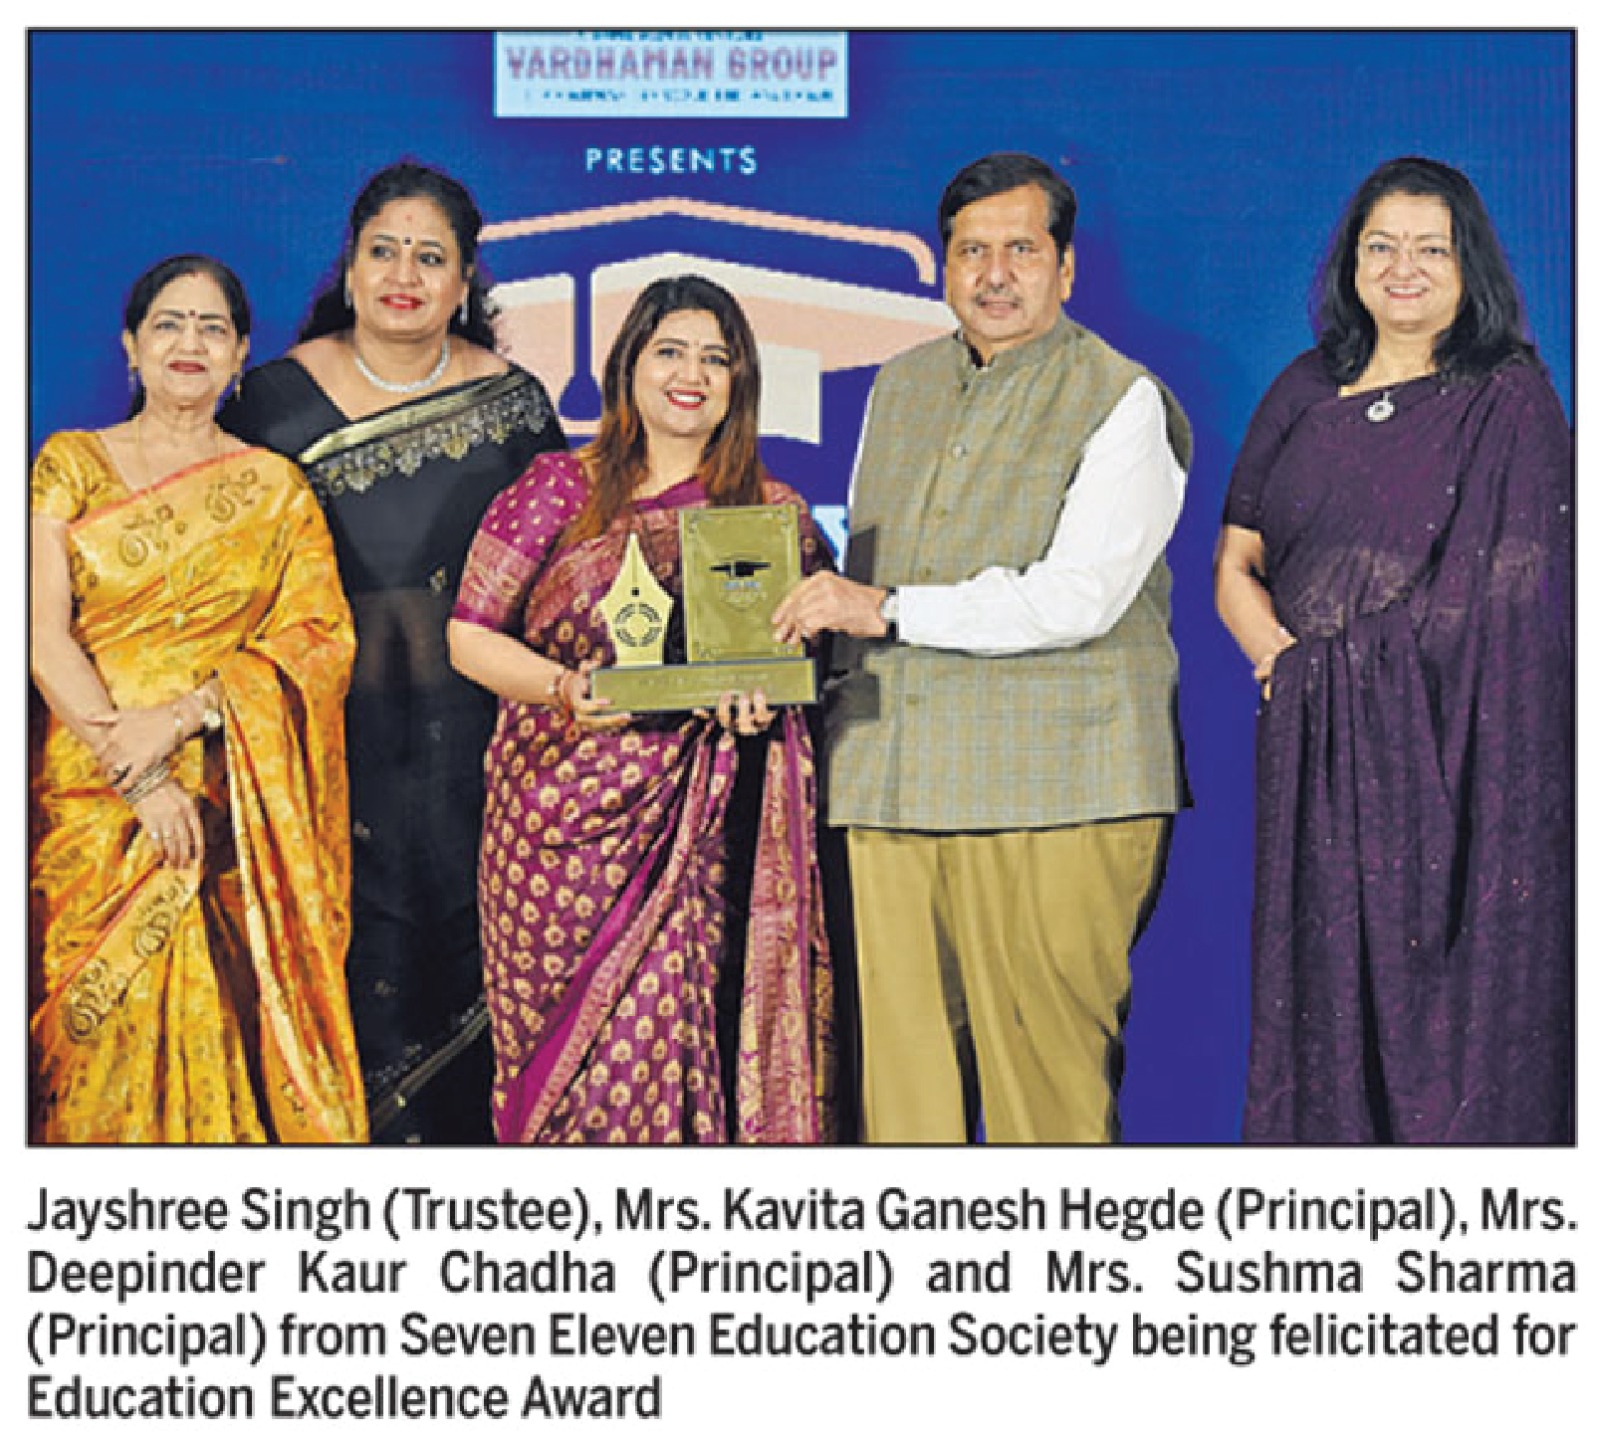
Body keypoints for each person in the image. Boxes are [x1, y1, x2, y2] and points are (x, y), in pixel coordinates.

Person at [772, 152, 1190, 1144]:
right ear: (943, 267)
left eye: (1021, 250)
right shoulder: (900, 384)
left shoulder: (1121, 397)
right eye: (971, 252)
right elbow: (865, 562)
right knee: (901, 1102)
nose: (994, 274)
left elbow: (1078, 597)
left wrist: (885, 609)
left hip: (1058, 785)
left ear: (1066, 268)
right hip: (890, 781)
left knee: (1045, 1097)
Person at [1215, 156, 1573, 1144]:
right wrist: (1291, 670)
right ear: (1351, 262)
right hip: (1311, 750)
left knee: (1454, 1031)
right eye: (1381, 246)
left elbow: (1515, 596)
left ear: (1469, 268)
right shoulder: (1304, 385)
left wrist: (1356, 677)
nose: (1402, 268)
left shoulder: (1508, 400)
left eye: (1430, 249)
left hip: (1458, 763)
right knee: (1320, 1000)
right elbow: (1235, 560)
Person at [446, 274, 835, 1144]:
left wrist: (758, 713)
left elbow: (799, 671)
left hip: (699, 841)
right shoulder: (558, 489)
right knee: (563, 1086)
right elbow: (468, 637)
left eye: (716, 359)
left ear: (740, 382)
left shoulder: (771, 515)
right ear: (628, 365)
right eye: (670, 352)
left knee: (682, 1041)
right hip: (552, 841)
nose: (691, 375)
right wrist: (563, 688)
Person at [223, 161, 567, 1143]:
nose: (403, 275)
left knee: (476, 967)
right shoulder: (271, 403)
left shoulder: (514, 404)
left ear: (465, 282)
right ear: (350, 267)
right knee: (354, 963)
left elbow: (564, 576)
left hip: (484, 754)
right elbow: (222, 576)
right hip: (329, 748)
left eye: (430, 257)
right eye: (384, 251)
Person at [29, 254, 365, 1143]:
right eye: (169, 324)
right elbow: (40, 635)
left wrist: (185, 720)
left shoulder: (277, 492)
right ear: (131, 346)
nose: (191, 343)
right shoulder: (71, 463)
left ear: (242, 354)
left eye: (213, 328)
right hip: (94, 806)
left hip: (226, 808)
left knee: (223, 1037)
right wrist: (139, 777)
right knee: (92, 1047)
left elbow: (318, 644)